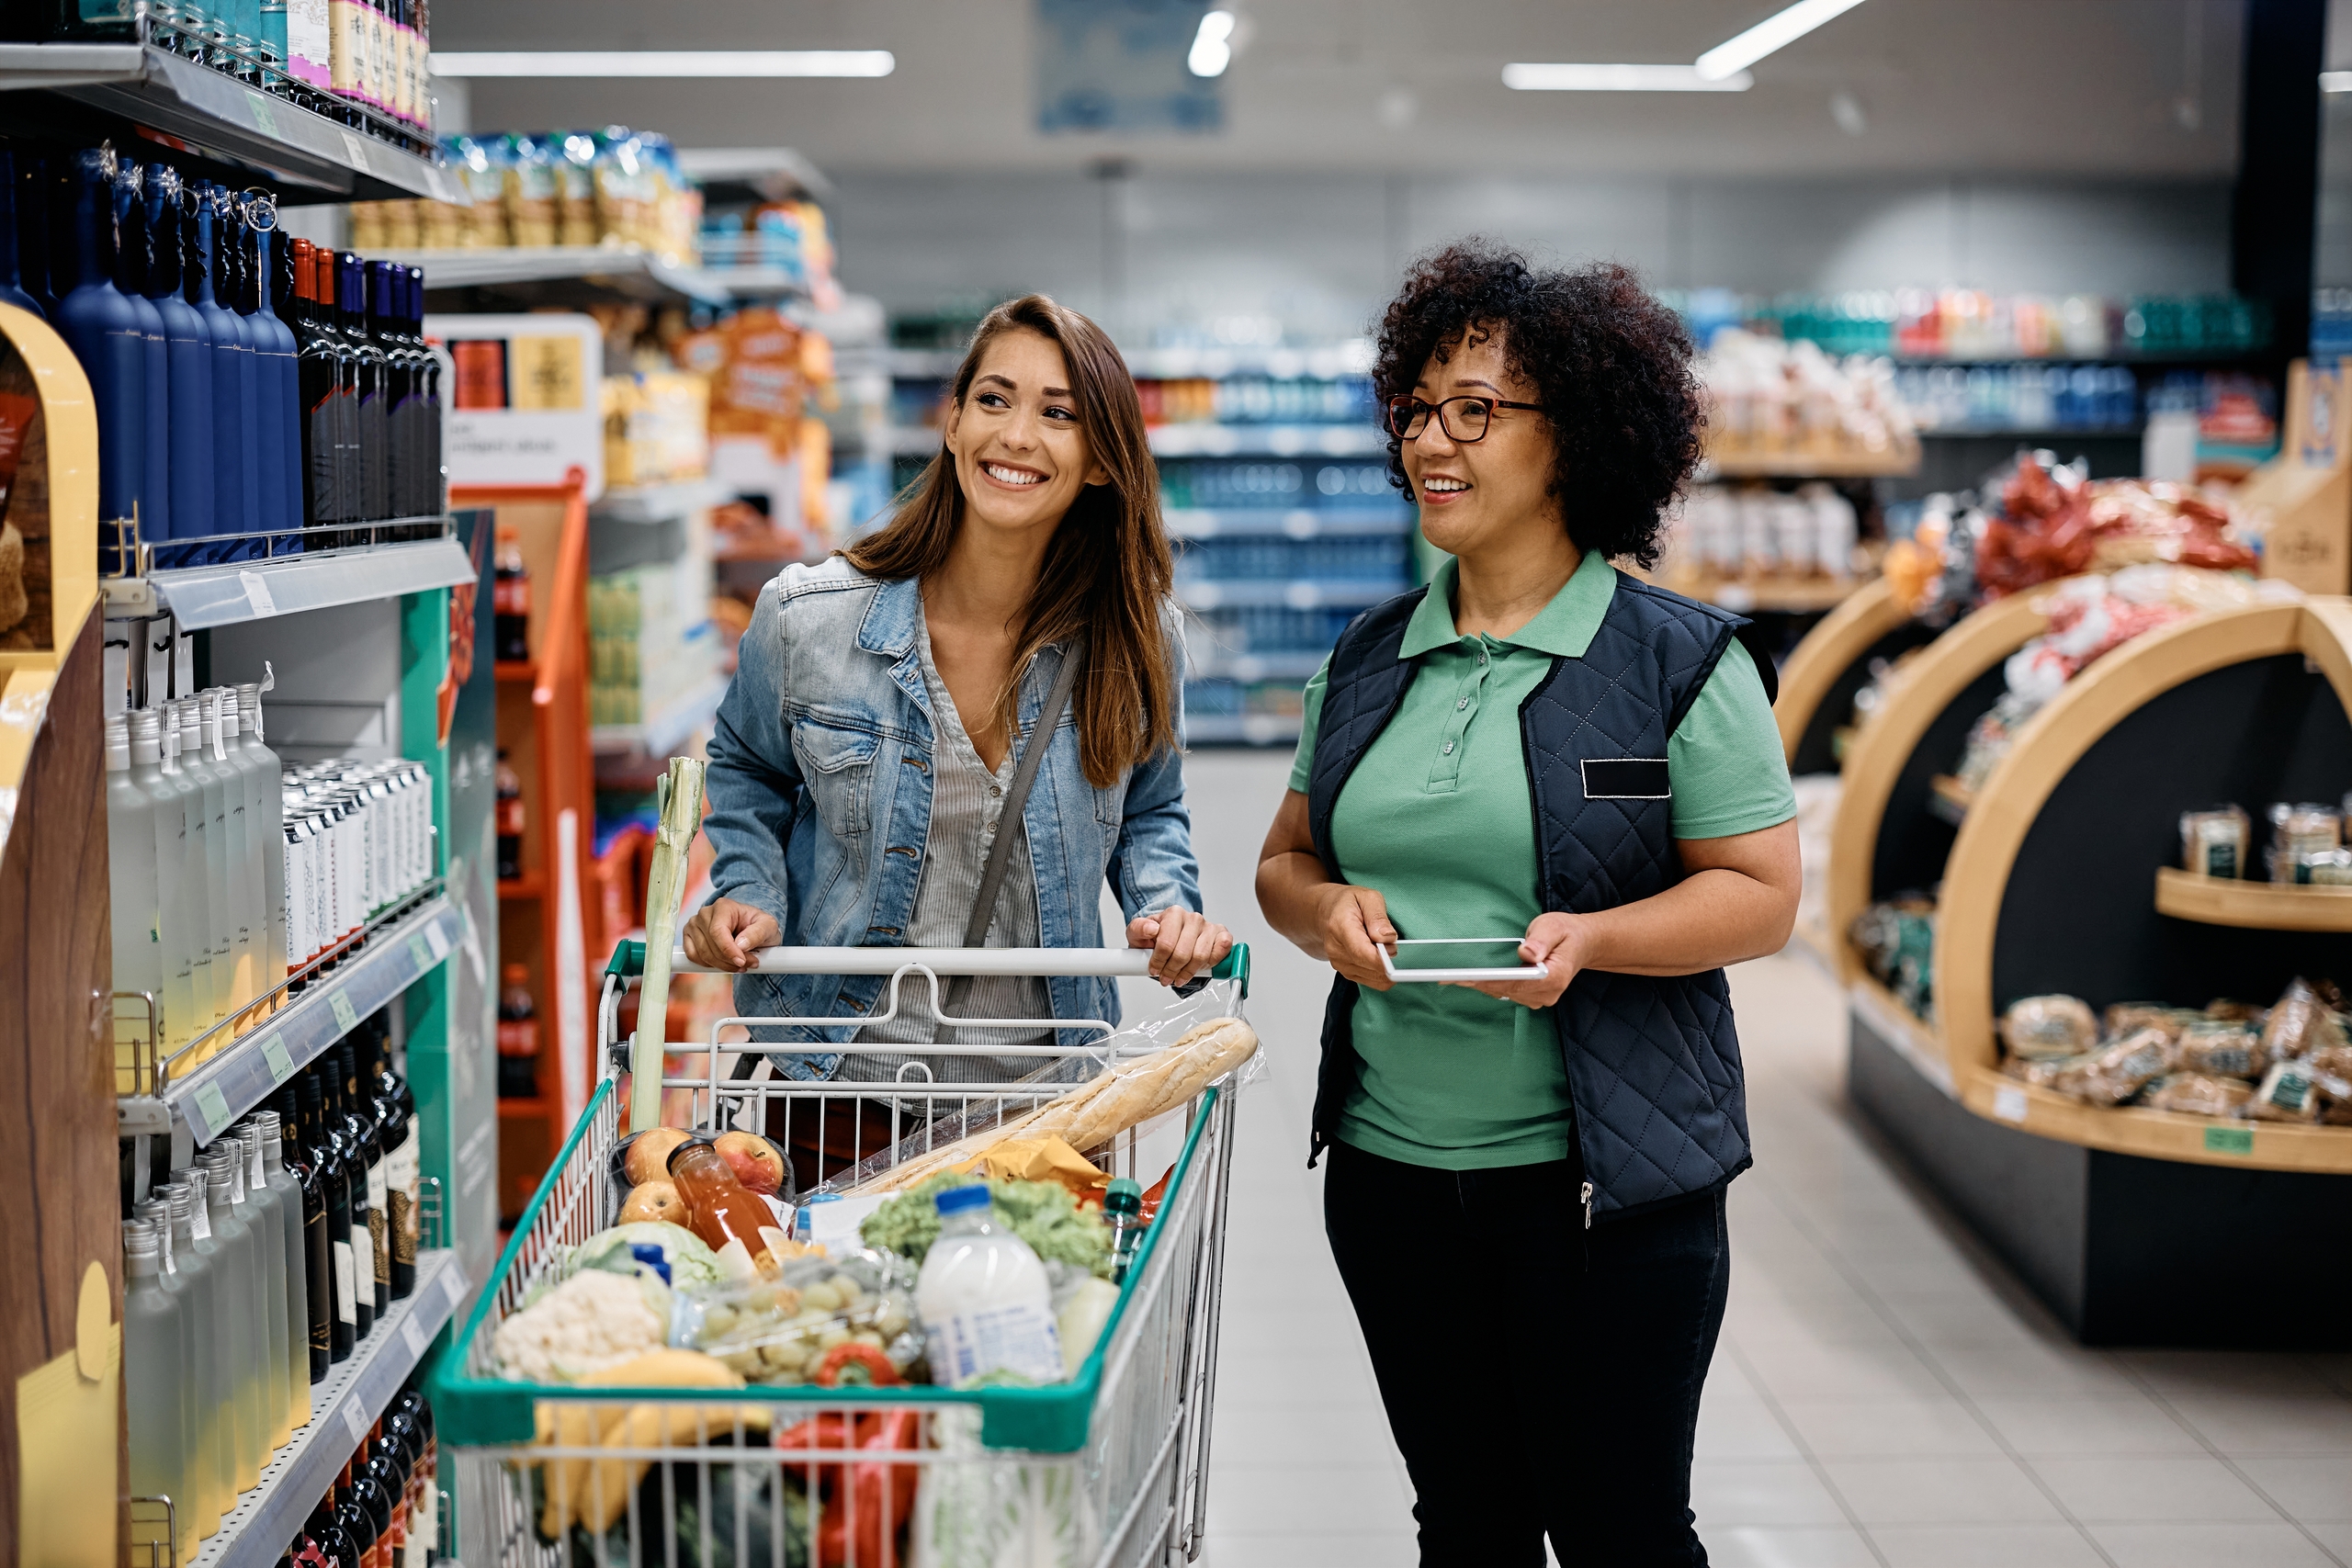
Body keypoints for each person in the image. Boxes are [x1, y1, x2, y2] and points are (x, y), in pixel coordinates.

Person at [1255, 243, 1799, 1565]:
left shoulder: (1675, 658)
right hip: (1391, 1183)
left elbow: (1762, 893)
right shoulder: (1370, 655)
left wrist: (1601, 939)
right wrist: (1325, 914)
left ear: (1582, 436)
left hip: (1604, 1197)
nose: (1434, 441)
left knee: (1621, 1528)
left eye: (1477, 410)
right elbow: (1284, 860)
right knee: (1469, 1521)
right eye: (1420, 408)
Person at [687, 293, 1234, 1182]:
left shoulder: (1135, 638)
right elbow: (747, 768)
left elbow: (1149, 808)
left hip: (1048, 1100)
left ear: (1100, 461)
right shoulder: (808, 619)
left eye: (1058, 414)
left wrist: (1163, 902)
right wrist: (750, 887)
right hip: (841, 1087)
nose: (1016, 435)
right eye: (993, 399)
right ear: (949, 423)